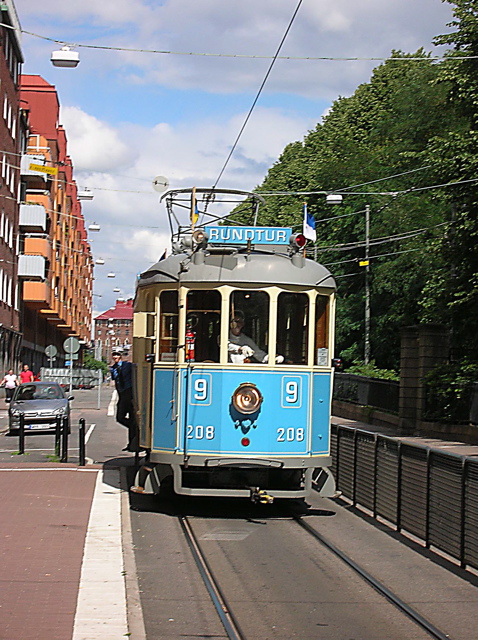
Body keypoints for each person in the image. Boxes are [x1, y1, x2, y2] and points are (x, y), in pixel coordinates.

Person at [110, 350, 139, 452]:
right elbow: (115, 379)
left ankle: (132, 444)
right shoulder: (113, 368)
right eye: (114, 356)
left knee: (132, 417)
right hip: (122, 394)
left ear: (120, 356)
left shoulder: (127, 365)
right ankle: (132, 426)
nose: (115, 357)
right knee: (120, 417)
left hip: (129, 393)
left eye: (117, 355)